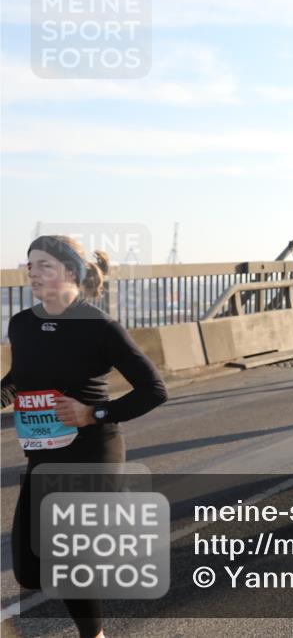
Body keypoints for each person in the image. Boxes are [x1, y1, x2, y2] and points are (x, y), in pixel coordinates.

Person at [2, 235, 167, 638]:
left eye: (44, 265)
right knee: (28, 568)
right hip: (43, 450)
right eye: (30, 265)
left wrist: (93, 413)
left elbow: (154, 390)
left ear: (71, 272)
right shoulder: (22, 324)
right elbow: (19, 378)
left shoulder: (99, 327)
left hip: (93, 449)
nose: (32, 273)